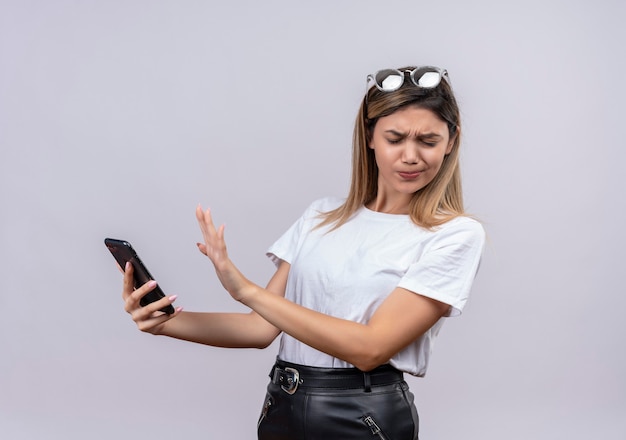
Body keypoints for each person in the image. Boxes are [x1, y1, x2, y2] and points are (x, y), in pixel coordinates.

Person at [122, 65, 485, 439]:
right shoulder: (320, 216)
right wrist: (165, 323)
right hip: (282, 406)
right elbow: (261, 326)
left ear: (451, 142)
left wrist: (245, 288)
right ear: (370, 136)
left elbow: (370, 348)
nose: (411, 156)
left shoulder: (454, 235)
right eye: (395, 138)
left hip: (363, 417)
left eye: (428, 141)